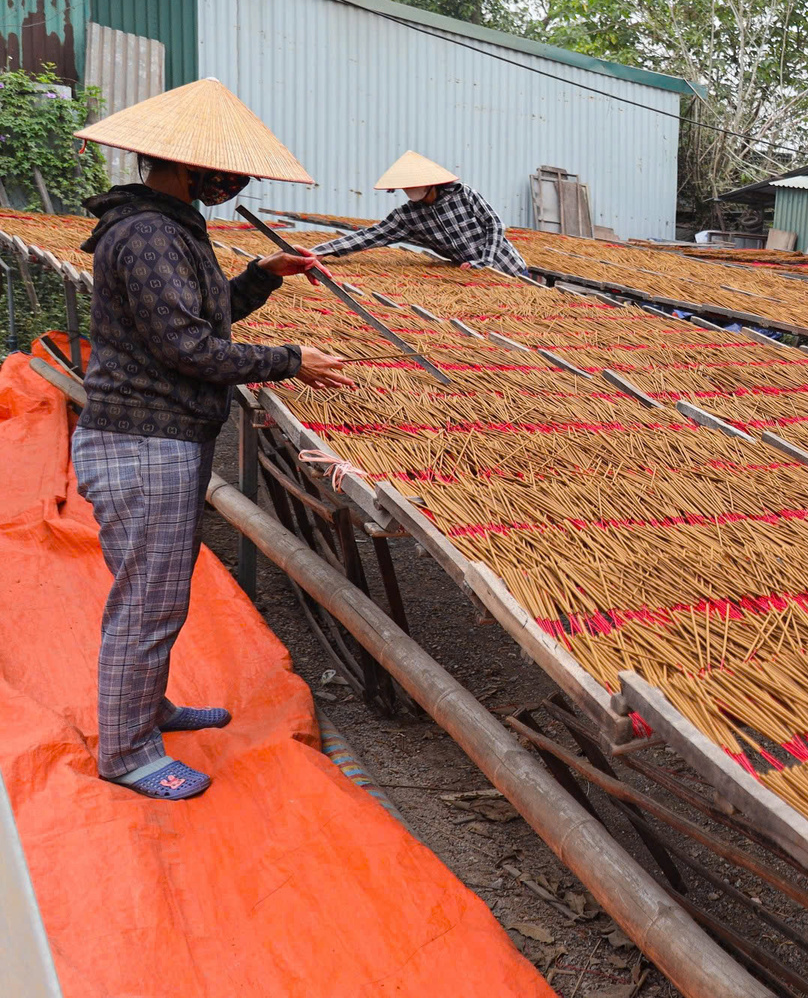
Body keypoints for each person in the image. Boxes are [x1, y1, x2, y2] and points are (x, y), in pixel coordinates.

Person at [71, 78, 354, 801]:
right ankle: (126, 750)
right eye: (225, 170)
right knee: (148, 601)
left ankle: (146, 710)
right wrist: (290, 360)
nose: (237, 182)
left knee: (158, 590)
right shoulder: (146, 235)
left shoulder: (168, 225)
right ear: (183, 165)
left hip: (162, 438)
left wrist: (263, 275)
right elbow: (188, 347)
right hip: (143, 441)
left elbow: (206, 314)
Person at [312, 150, 530, 275]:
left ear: (433, 184)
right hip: (471, 275)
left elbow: (494, 225)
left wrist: (486, 261)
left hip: (508, 268)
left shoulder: (464, 195)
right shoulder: (407, 217)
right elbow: (370, 236)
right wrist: (323, 250)